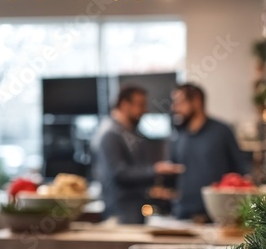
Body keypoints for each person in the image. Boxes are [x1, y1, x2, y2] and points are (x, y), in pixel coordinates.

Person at [91, 86, 183, 224]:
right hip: (121, 213)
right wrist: (155, 170)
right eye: (140, 105)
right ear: (124, 105)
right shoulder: (110, 134)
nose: (145, 110)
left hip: (136, 210)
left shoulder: (131, 133)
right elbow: (118, 173)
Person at [170, 83, 251, 220]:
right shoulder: (179, 136)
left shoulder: (221, 131)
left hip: (216, 215)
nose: (175, 108)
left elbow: (240, 169)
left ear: (196, 101)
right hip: (183, 213)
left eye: (180, 102)